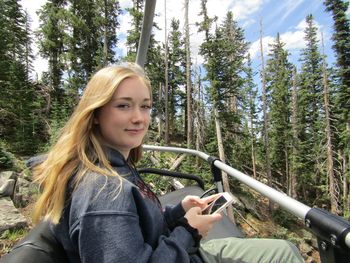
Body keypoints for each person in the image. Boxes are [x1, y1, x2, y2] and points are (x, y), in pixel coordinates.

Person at [32, 63, 304, 263]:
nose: (139, 118)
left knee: (285, 250)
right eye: (124, 106)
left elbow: (136, 227)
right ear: (95, 114)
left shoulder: (114, 166)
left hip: (177, 251)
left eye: (145, 106)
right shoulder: (104, 191)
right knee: (284, 255)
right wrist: (188, 231)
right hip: (181, 253)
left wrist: (176, 214)